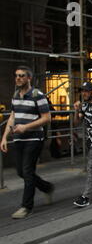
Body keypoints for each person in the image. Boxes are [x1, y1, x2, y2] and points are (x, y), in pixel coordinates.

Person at [1, 66, 55, 219]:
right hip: (19, 139)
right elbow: (12, 117)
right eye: (16, 75)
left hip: (34, 138)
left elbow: (47, 118)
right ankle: (47, 187)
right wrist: (4, 137)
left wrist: (26, 127)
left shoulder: (38, 95)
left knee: (27, 170)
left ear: (29, 78)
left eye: (22, 76)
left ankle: (26, 207)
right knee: (21, 172)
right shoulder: (16, 95)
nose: (18, 78)